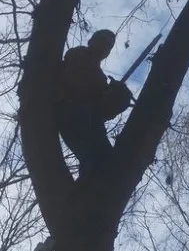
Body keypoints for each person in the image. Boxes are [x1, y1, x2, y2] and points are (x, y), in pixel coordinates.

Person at [56, 30, 133, 175]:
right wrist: (104, 91)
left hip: (91, 122)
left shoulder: (101, 78)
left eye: (110, 45)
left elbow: (105, 111)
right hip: (73, 114)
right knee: (95, 160)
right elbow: (78, 82)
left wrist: (119, 95)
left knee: (105, 163)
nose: (106, 45)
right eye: (103, 40)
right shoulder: (78, 54)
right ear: (91, 41)